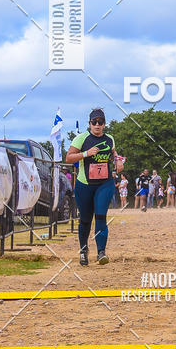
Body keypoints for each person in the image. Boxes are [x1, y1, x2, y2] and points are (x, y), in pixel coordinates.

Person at [66, 108, 124, 266]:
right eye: (94, 122)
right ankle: (83, 250)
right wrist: (86, 154)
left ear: (104, 124)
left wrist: (118, 160)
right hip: (85, 184)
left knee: (100, 216)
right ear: (89, 123)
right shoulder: (81, 138)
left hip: (104, 183)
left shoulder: (110, 138)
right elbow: (69, 158)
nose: (97, 125)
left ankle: (101, 252)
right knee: (85, 219)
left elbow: (114, 153)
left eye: (100, 122)